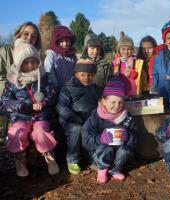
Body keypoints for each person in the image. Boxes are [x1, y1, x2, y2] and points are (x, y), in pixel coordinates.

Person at [0, 40, 59, 177]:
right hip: (21, 117)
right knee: (17, 133)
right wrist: (20, 106)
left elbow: (53, 92)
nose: (30, 65)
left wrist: (44, 102)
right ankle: (20, 160)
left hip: (41, 115)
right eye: (26, 62)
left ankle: (49, 156)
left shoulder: (43, 76)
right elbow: (4, 101)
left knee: (41, 132)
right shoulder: (13, 80)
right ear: (19, 64)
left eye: (33, 61)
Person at [81, 77, 138, 183]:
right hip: (100, 151)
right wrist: (100, 139)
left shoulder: (127, 117)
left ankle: (115, 170)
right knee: (105, 148)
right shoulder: (95, 117)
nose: (117, 106)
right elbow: (86, 139)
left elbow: (135, 135)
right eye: (113, 102)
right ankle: (102, 169)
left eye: (120, 102)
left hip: (118, 152)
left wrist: (128, 137)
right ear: (104, 101)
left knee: (125, 150)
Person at [56, 63, 101, 174]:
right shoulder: (68, 87)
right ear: (76, 74)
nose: (86, 78)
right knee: (76, 129)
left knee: (95, 128)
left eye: (90, 75)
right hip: (70, 119)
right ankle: (72, 159)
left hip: (88, 118)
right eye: (83, 75)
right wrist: (71, 117)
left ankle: (94, 157)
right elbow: (61, 106)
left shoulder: (94, 88)